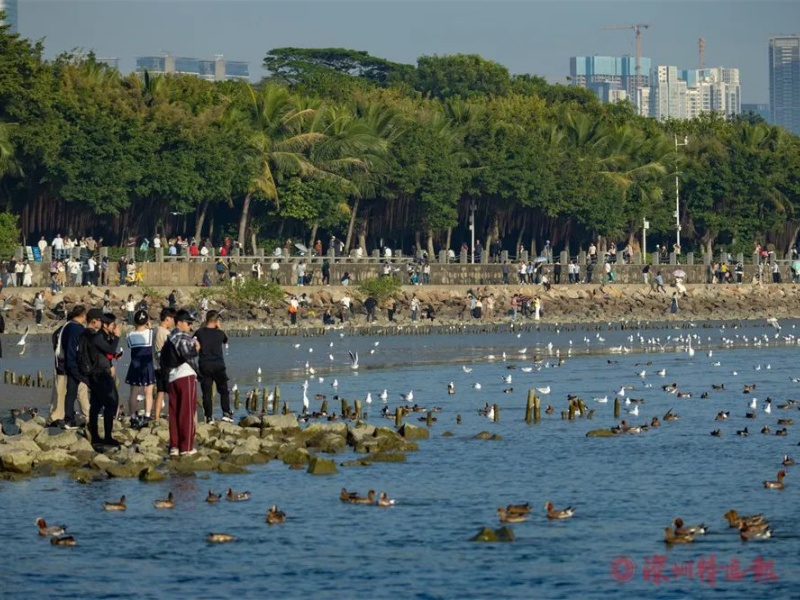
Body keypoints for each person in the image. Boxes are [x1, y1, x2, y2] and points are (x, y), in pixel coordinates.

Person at [162, 309, 201, 455]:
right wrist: (196, 350)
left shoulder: (169, 337)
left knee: (174, 412)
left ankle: (174, 446)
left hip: (172, 377)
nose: (190, 327)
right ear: (179, 323)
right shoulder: (183, 337)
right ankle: (187, 447)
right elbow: (189, 357)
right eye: (188, 323)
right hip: (185, 375)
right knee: (187, 412)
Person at [83, 309, 122, 448]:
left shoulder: (94, 335)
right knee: (111, 403)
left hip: (95, 373)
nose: (114, 328)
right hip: (100, 374)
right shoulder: (97, 336)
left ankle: (96, 436)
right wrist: (117, 337)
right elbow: (110, 350)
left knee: (96, 405)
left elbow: (106, 353)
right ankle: (106, 437)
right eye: (112, 325)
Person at [51, 305, 90, 429]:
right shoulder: (76, 329)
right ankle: (86, 415)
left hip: (61, 364)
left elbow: (56, 346)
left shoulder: (61, 330)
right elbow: (75, 349)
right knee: (79, 391)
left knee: (63, 392)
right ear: (83, 315)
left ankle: (60, 417)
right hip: (71, 365)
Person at [193, 310, 232, 424]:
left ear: (206, 320)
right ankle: (225, 412)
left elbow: (193, 341)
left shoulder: (199, 332)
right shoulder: (220, 333)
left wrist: (202, 327)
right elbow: (226, 339)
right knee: (224, 390)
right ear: (216, 321)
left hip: (205, 365)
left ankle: (209, 416)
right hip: (218, 365)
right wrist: (219, 328)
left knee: (207, 393)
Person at [125, 309, 156, 424]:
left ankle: (133, 417)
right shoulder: (150, 333)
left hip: (134, 364)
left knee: (134, 392)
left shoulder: (129, 335)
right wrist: (150, 327)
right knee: (148, 390)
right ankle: (147, 416)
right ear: (146, 321)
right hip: (147, 364)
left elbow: (129, 346)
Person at [153, 307, 176, 422]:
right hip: (165, 366)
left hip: (156, 365)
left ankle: (156, 416)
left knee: (160, 392)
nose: (173, 322)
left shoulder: (155, 329)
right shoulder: (165, 333)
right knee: (172, 392)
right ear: (167, 319)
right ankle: (173, 415)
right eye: (172, 319)